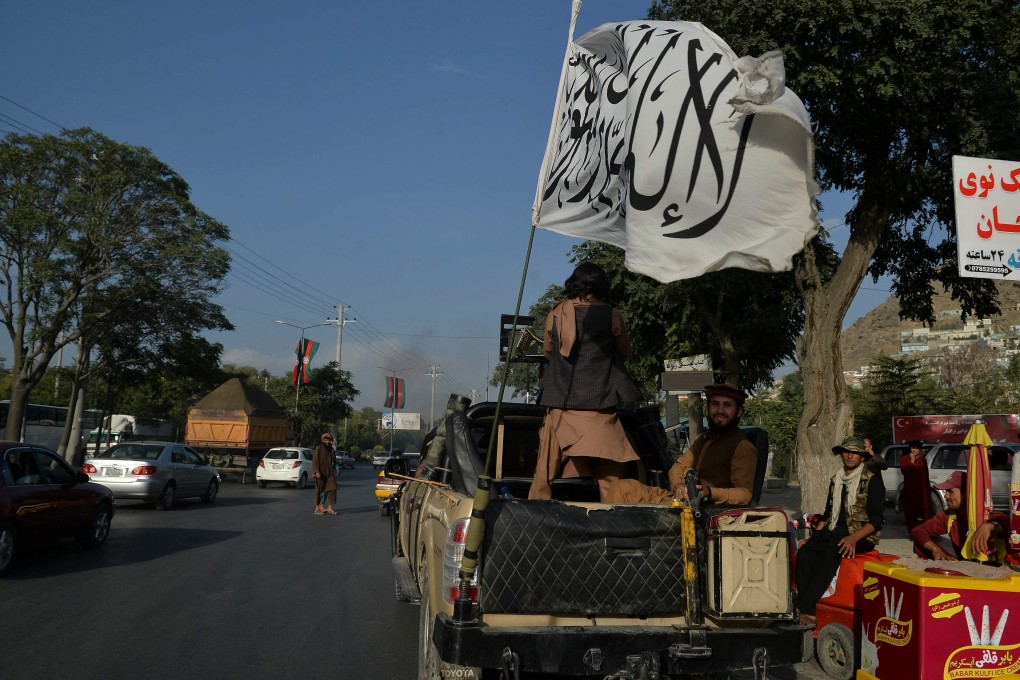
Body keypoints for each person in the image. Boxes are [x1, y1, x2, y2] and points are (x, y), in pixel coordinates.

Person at [528, 262, 641, 501]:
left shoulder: (556, 314)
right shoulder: (613, 316)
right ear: (603, 287)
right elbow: (624, 354)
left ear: (574, 283)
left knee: (543, 477)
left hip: (561, 407)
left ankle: (533, 518)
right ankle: (615, 527)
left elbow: (550, 352)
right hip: (601, 411)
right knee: (611, 485)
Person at [602, 383, 757, 506]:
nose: (720, 410)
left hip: (706, 509)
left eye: (727, 405)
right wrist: (678, 486)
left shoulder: (742, 447)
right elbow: (677, 467)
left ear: (739, 412)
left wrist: (709, 492)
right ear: (709, 408)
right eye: (715, 404)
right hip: (681, 500)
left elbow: (744, 494)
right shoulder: (704, 440)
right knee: (620, 487)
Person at [794, 435, 885, 628]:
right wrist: (811, 538)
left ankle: (803, 607)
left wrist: (853, 538)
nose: (850, 456)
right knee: (805, 553)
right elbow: (828, 514)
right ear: (841, 454)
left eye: (855, 452)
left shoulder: (872, 481)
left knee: (831, 553)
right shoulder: (837, 480)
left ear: (862, 457)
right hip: (835, 529)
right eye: (846, 451)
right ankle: (808, 609)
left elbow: (876, 520)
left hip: (861, 534)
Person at [910, 470, 1009, 562]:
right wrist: (935, 548)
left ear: (967, 493)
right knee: (921, 544)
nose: (946, 496)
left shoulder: (986, 513)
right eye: (946, 492)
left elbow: (1012, 528)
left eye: (950, 492)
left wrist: (991, 526)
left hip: (993, 568)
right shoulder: (949, 516)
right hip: (965, 567)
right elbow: (917, 531)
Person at [900, 439, 932, 531]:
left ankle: (927, 532)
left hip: (922, 490)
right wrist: (912, 461)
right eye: (912, 448)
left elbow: (925, 476)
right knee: (910, 513)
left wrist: (927, 490)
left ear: (920, 450)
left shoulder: (923, 460)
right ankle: (912, 532)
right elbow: (904, 471)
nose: (914, 450)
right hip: (910, 491)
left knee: (926, 513)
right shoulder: (905, 458)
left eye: (916, 448)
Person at [313, 433, 338, 515]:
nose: (327, 442)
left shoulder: (331, 449)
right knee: (320, 490)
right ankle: (317, 508)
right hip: (320, 472)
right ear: (323, 440)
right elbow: (315, 461)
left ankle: (330, 507)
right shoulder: (319, 448)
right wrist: (316, 471)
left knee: (332, 488)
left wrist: (337, 469)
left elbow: (334, 460)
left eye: (329, 440)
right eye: (326, 440)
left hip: (329, 472)